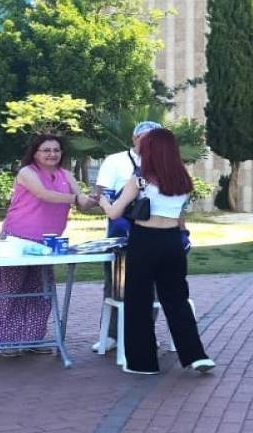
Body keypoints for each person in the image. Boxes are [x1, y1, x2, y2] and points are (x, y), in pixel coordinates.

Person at [100, 128, 215, 375]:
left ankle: (143, 363)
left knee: (138, 301)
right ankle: (196, 355)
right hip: (172, 241)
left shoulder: (139, 180)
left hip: (145, 240)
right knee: (177, 299)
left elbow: (113, 213)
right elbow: (180, 215)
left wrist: (101, 200)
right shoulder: (182, 181)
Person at [0, 134, 97, 354]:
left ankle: (33, 340)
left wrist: (97, 199)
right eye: (46, 150)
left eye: (56, 150)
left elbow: (81, 202)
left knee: (40, 290)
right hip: (18, 238)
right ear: (35, 153)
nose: (52, 154)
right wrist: (76, 199)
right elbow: (43, 194)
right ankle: (6, 342)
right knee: (10, 289)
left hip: (48, 242)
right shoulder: (27, 172)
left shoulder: (66, 174)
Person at [90, 121, 161, 354]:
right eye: (144, 137)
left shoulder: (166, 163)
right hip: (120, 233)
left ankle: (144, 333)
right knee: (115, 285)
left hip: (155, 233)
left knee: (152, 287)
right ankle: (110, 335)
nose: (148, 142)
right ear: (134, 139)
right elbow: (102, 195)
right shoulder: (115, 161)